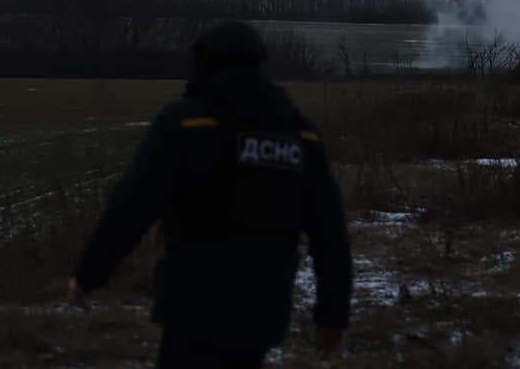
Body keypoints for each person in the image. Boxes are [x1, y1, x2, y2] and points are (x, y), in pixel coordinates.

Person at [70, 20, 352, 366]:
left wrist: (89, 274)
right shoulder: (300, 134)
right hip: (264, 306)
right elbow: (330, 231)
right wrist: (334, 313)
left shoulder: (184, 123)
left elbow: (132, 206)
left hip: (192, 303)